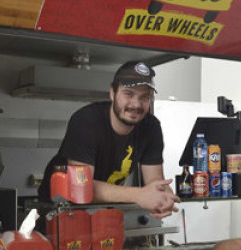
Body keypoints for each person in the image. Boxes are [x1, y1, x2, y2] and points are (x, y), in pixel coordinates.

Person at [38, 61, 179, 218]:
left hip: (104, 212)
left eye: (144, 97)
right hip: (59, 213)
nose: (136, 104)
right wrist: (139, 195)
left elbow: (155, 181)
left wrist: (164, 196)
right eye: (128, 94)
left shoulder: (151, 127)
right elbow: (80, 187)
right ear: (112, 93)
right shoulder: (86, 120)